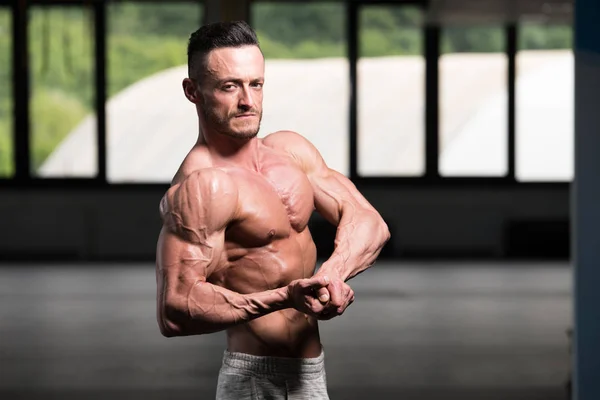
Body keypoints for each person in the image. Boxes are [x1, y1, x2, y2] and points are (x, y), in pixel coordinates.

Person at [155, 20, 390, 400]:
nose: (248, 100)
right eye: (230, 86)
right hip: (256, 379)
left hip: (311, 372)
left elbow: (369, 223)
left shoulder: (288, 151)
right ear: (192, 91)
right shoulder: (203, 185)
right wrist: (284, 297)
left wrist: (331, 274)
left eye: (256, 84)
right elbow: (175, 310)